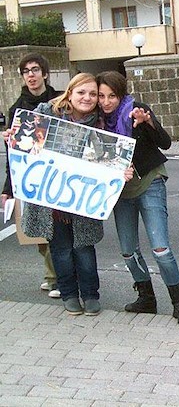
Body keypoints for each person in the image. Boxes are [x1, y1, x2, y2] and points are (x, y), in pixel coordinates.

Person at [96, 71, 179, 328]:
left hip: (149, 181)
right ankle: (146, 297)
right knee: (128, 250)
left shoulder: (136, 110)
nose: (106, 102)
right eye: (102, 96)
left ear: (121, 94)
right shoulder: (96, 121)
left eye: (112, 96)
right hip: (120, 190)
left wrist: (148, 123)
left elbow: (165, 142)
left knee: (160, 248)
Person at [16, 73, 104, 316]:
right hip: (52, 201)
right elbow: (24, 148)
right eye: (81, 92)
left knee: (85, 248)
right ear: (70, 92)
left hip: (83, 200)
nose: (87, 98)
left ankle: (90, 294)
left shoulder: (100, 123)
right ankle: (69, 294)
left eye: (93, 94)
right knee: (62, 250)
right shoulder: (46, 113)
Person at [1, 53, 61, 299]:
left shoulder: (60, 102)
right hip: (32, 177)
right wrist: (8, 189)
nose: (31, 75)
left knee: (57, 229)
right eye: (26, 72)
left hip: (58, 174)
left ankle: (58, 277)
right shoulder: (17, 108)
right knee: (38, 231)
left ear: (44, 73)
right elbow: (12, 155)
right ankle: (52, 274)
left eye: (35, 70)